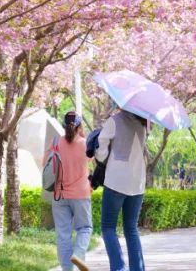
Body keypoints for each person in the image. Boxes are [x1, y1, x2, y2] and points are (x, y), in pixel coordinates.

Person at [96, 108, 149, 271]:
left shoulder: (115, 121)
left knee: (108, 227)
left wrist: (101, 152)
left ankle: (119, 268)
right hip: (137, 183)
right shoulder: (144, 124)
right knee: (131, 228)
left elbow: (101, 153)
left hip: (116, 182)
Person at [45, 111, 93, 271]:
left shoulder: (56, 142)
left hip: (59, 195)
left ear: (64, 126)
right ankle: (78, 255)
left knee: (63, 235)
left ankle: (67, 269)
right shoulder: (85, 143)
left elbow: (46, 163)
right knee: (84, 228)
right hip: (81, 194)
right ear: (79, 126)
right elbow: (92, 161)